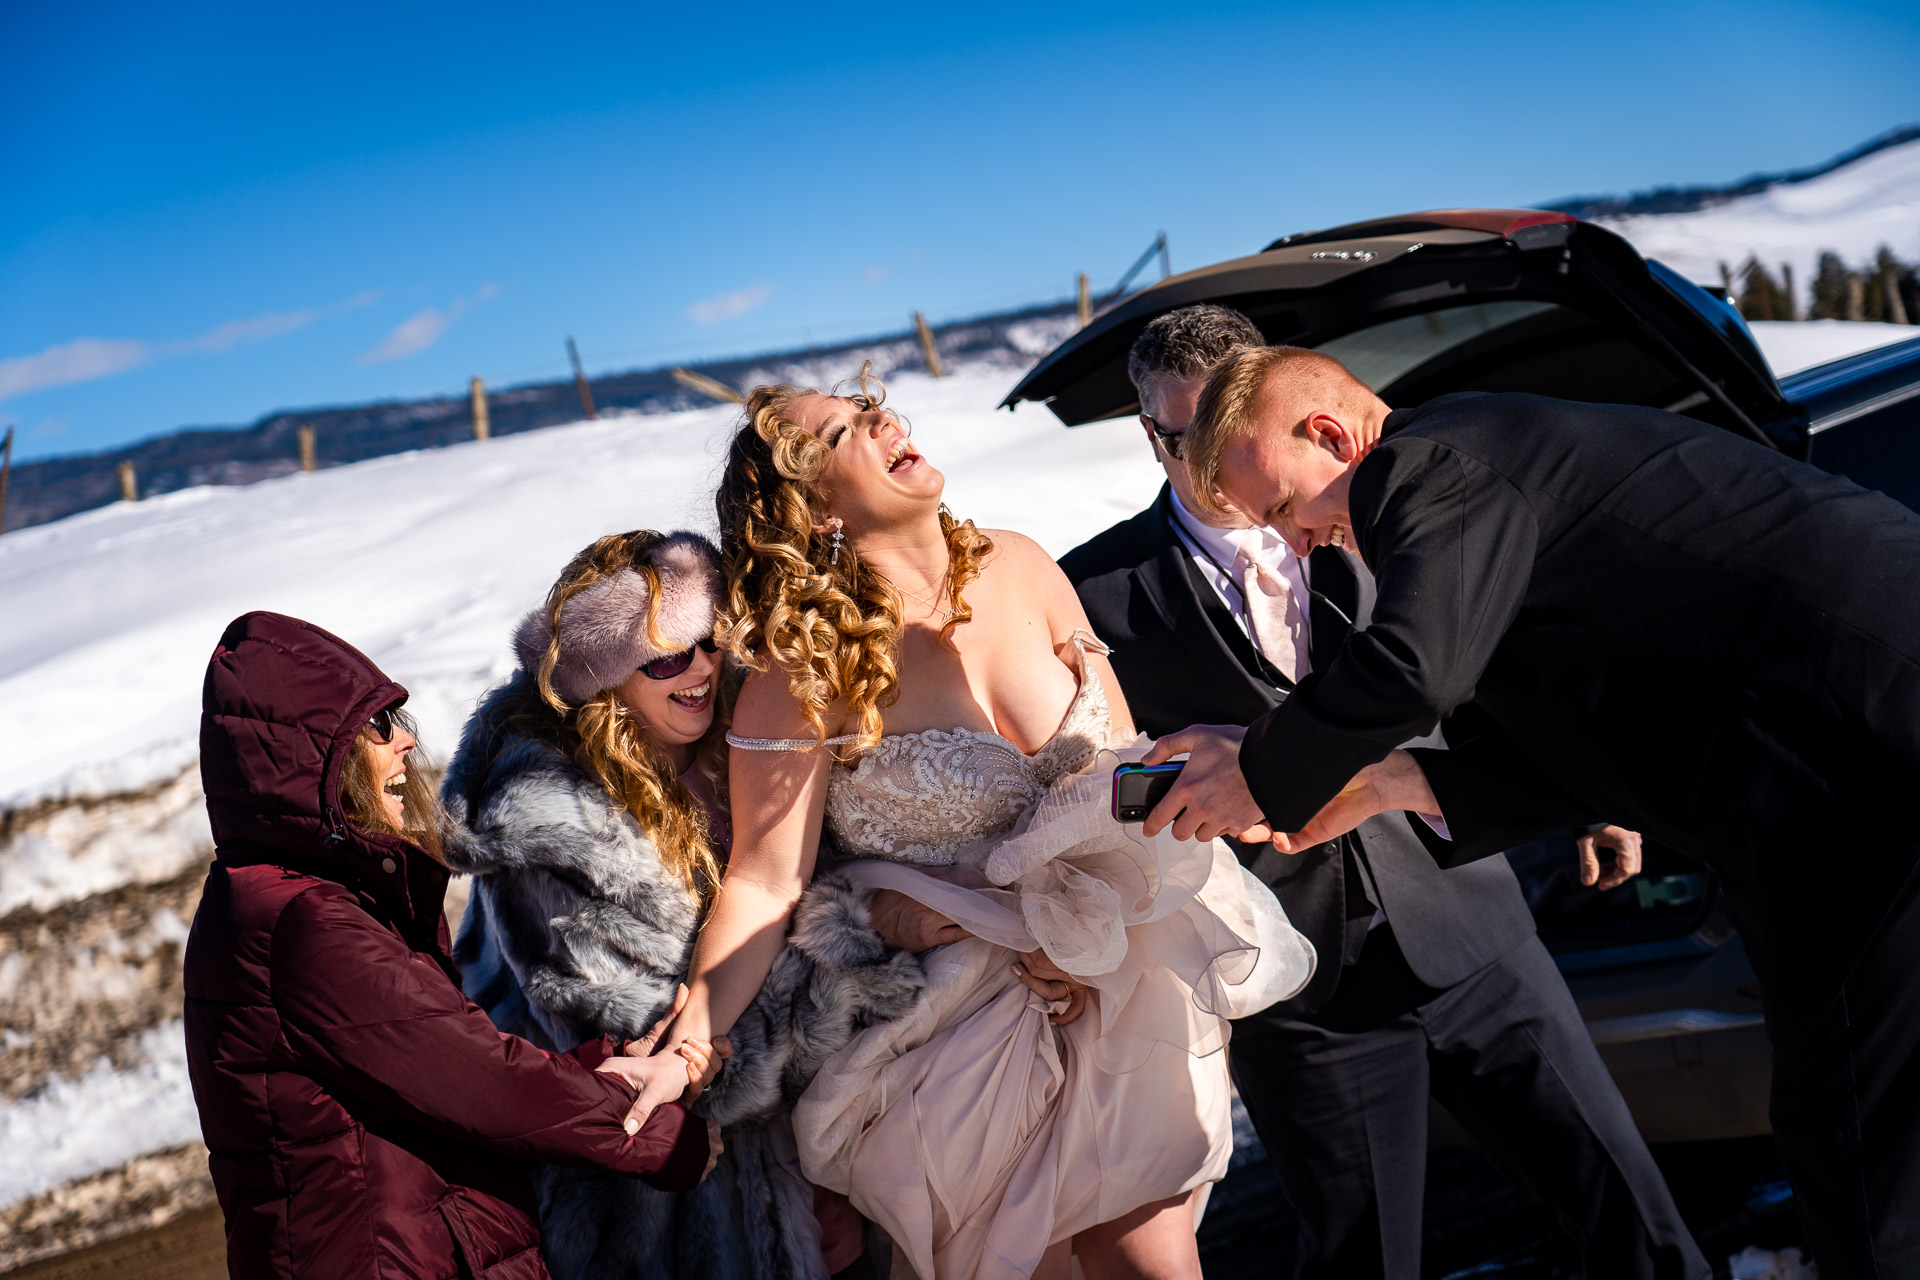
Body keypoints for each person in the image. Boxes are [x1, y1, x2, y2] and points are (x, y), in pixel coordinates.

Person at [1151, 347, 1920, 1278]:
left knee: (1862, 1155)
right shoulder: (1486, 493)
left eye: (1283, 509)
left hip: (1867, 767)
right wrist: (1402, 782)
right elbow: (1598, 730)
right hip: (1829, 803)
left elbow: (1415, 667)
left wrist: (1262, 768)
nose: (1297, 540)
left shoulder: (1428, 459)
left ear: (1332, 435)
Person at [1058, 306, 1705, 1279]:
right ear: (1149, 433)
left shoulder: (1382, 513)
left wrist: (1587, 791)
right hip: (1303, 997)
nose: (1210, 454)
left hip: (1477, 931)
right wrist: (1184, 787)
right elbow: (1091, 786)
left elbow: (1497, 665)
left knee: (1634, 1222)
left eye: (1235, 420)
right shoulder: (1095, 589)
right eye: (1185, 431)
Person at [665, 372, 1316, 1280]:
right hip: (967, 1034)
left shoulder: (1024, 563)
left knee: (1154, 1261)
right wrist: (693, 1040)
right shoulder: (801, 669)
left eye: (872, 404)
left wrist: (1262, 793)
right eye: (843, 432)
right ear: (811, 509)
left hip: (1124, 984)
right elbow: (766, 881)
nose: (882, 419)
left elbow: (1125, 764)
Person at [445, 529, 928, 1280]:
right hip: (659, 1206)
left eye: (707, 640)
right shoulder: (545, 832)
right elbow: (646, 1046)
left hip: (806, 1166)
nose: (701, 667)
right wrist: (858, 953)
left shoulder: (743, 742)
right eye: (666, 657)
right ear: (604, 684)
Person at [183, 610, 718, 1280]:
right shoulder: (302, 923)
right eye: (376, 727)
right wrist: (660, 1137)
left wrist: (607, 1067)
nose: (404, 743)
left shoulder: (286, 902)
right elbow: (484, 1084)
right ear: (308, 758)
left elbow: (438, 1066)